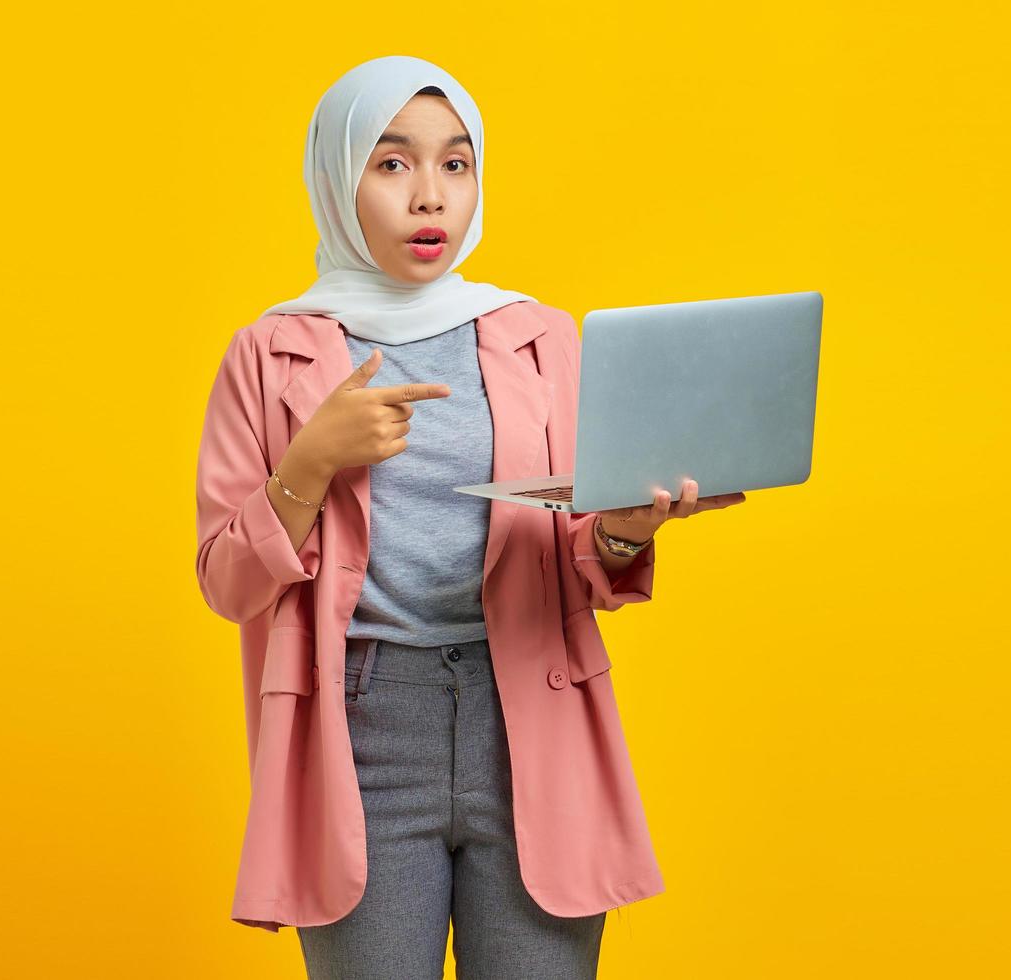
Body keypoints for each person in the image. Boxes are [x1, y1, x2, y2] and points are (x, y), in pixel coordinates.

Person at [195, 54, 745, 979]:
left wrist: (628, 530)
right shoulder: (271, 352)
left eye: (456, 165)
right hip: (361, 730)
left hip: (530, 708)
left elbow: (586, 548)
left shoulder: (540, 336)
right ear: (337, 179)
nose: (429, 199)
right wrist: (309, 462)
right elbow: (226, 582)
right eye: (393, 163)